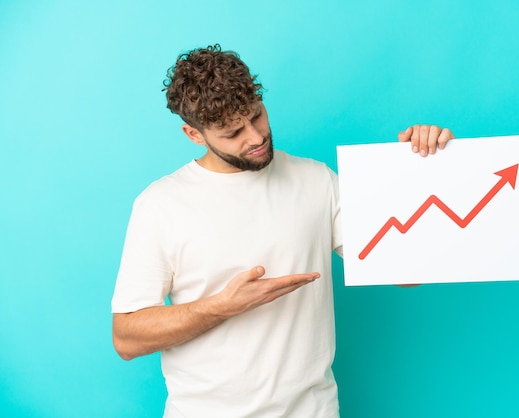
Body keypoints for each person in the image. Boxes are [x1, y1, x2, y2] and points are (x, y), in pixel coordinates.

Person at [111, 44, 454, 418]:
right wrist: (222, 307)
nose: (256, 137)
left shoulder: (316, 180)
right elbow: (126, 338)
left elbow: (407, 275)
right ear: (194, 134)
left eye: (257, 116)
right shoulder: (161, 204)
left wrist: (419, 172)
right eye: (232, 132)